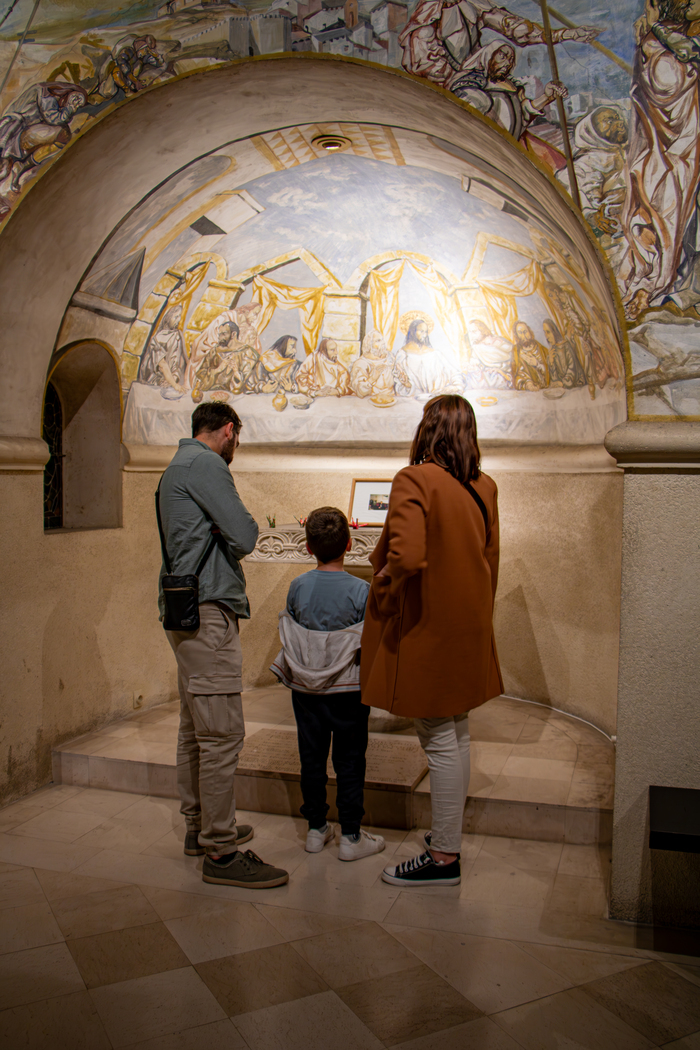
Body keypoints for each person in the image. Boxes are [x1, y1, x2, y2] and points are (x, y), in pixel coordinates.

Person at [362, 395, 503, 887]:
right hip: (468, 624)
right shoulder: (484, 486)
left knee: (438, 739)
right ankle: (449, 838)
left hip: (428, 629)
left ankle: (444, 858)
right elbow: (491, 562)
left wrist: (379, 594)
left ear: (429, 430)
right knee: (457, 732)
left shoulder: (414, 479)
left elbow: (405, 556)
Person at [157, 402, 288, 889]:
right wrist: (226, 529)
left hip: (182, 607)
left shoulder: (175, 466)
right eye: (239, 438)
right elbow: (246, 534)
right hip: (209, 609)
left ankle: (199, 827)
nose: (237, 447)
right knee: (222, 734)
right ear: (229, 431)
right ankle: (222, 849)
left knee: (195, 725)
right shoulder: (207, 464)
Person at [271, 508, 385, 861]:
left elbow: (296, 630)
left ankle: (316, 829)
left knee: (311, 757)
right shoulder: (361, 591)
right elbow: (369, 641)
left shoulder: (298, 587)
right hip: (349, 691)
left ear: (307, 548)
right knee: (350, 759)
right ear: (349, 545)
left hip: (306, 691)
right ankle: (350, 835)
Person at [0, 82, 88, 191]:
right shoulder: (45, 94)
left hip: (21, 136)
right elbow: (54, 119)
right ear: (67, 92)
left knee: (64, 134)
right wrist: (70, 108)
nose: (76, 104)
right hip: (17, 137)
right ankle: (22, 168)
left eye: (78, 104)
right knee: (62, 133)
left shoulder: (47, 95)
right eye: (75, 99)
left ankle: (23, 168)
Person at [393, 313, 463, 396]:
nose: (425, 335)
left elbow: (454, 373)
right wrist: (407, 385)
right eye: (421, 331)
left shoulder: (435, 354)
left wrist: (454, 386)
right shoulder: (402, 355)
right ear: (412, 332)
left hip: (437, 399)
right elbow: (398, 382)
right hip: (413, 401)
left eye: (426, 332)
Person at [139, 304, 188, 396]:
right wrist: (174, 384)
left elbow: (179, 362)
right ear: (168, 317)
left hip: (171, 381)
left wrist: (174, 377)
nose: (178, 320)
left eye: (179, 317)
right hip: (156, 383)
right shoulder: (157, 339)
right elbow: (162, 364)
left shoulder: (177, 335)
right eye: (176, 317)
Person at [350, 330, 396, 405]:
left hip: (391, 402)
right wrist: (373, 378)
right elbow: (360, 392)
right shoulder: (361, 363)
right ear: (369, 345)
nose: (383, 343)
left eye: (382, 340)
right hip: (369, 403)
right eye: (378, 341)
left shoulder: (390, 358)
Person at [465, 318, 513, 387]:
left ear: (482, 331)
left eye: (474, 332)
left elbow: (509, 352)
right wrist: (471, 366)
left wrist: (498, 370)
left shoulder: (496, 341)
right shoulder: (476, 347)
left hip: (500, 374)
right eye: (470, 332)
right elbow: (474, 362)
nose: (472, 335)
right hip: (486, 375)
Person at [542, 318, 585, 389]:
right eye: (545, 332)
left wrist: (562, 383)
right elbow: (555, 379)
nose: (546, 336)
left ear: (554, 332)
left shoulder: (566, 346)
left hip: (577, 386)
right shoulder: (552, 351)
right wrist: (551, 363)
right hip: (564, 388)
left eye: (548, 332)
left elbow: (572, 368)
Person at [512, 321, 550, 390]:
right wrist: (527, 384)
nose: (524, 335)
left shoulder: (543, 350)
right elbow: (517, 375)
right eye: (520, 332)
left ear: (530, 332)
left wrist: (537, 364)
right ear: (517, 336)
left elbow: (551, 371)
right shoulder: (516, 352)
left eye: (525, 331)